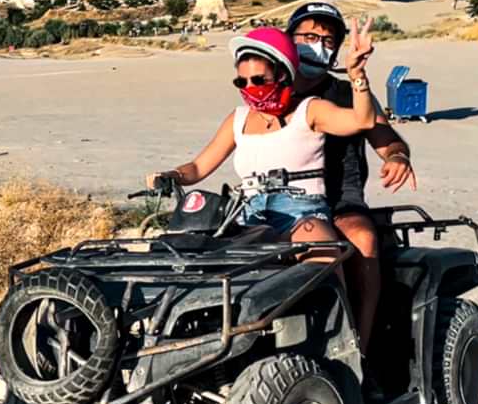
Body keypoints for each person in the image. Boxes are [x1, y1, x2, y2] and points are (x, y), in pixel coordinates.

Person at [146, 22, 378, 261]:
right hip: (247, 214)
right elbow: (197, 167)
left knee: (320, 250)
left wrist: (357, 77)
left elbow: (362, 120)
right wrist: (172, 175)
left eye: (258, 80)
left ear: (282, 74)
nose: (250, 88)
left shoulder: (310, 110)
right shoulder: (238, 119)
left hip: (302, 213)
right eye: (242, 82)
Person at [286, 2, 416, 359]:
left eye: (328, 40)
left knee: (362, 239)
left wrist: (397, 157)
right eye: (308, 36)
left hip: (339, 201)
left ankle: (360, 349)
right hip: (281, 201)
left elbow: (387, 140)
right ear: (289, 39)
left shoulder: (349, 95)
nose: (318, 45)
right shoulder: (270, 92)